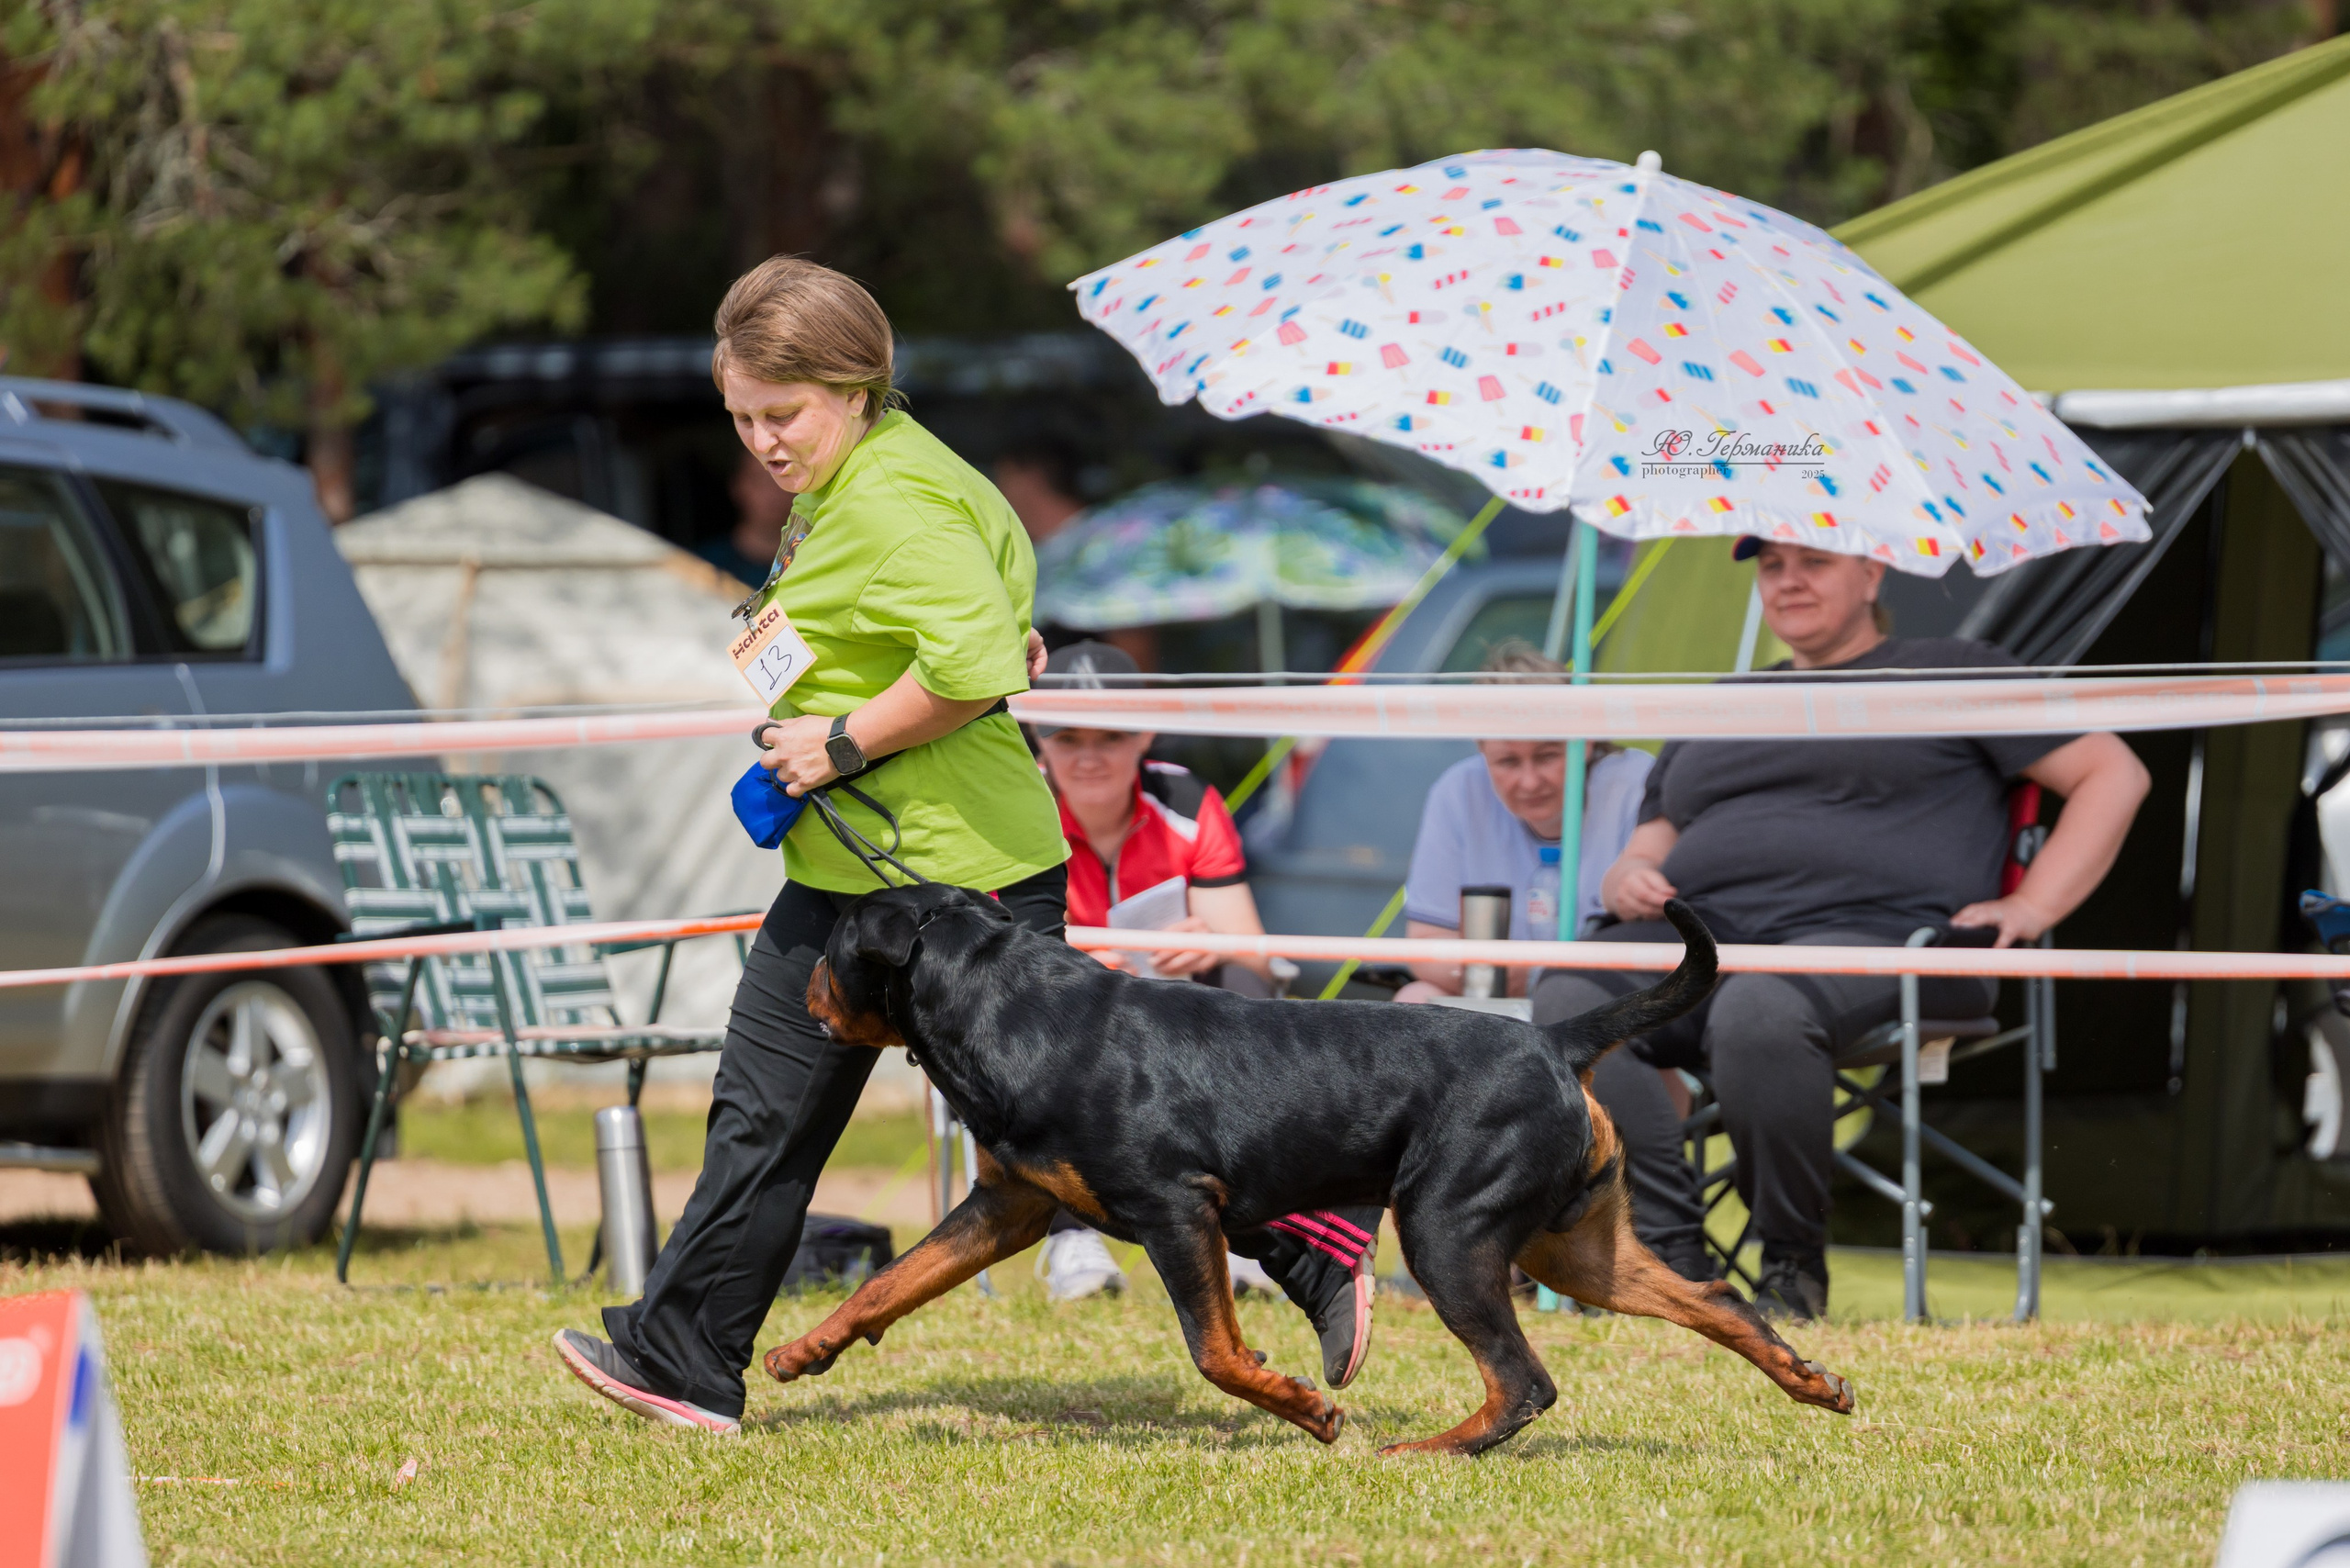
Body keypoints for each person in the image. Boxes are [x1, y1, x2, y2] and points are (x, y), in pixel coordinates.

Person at [553, 257, 1070, 1434]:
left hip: (954, 871)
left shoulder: (895, 493)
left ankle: (1300, 1236)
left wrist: (837, 741)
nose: (761, 442)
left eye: (781, 415)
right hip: (852, 873)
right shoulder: (869, 477)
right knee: (763, 1110)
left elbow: (982, 663)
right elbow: (1001, 624)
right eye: (741, 418)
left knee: (1068, 1132)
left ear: (854, 385)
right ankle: (680, 1357)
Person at [1531, 539, 2149, 1319]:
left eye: (1812, 562)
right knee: (1570, 999)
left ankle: (1792, 1267)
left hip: (1875, 938)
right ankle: (1667, 1255)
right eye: (1770, 567)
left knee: (1761, 1012)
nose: (1788, 581)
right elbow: (1658, 831)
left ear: (1873, 573)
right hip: (1704, 930)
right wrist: (1628, 871)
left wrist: (2031, 909)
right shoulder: (1723, 699)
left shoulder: (1952, 671)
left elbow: (2114, 774)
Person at [1028, 640, 1381, 1391]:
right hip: (1066, 1028)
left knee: (1249, 1003)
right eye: (1068, 735)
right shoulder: (1015, 806)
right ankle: (1071, 1233)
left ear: (1144, 737)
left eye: (1111, 735)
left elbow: (1255, 958)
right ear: (1039, 739)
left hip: (1170, 1026)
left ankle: (1265, 1231)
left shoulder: (1188, 802)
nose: (1089, 755)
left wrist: (1209, 941)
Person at [1393, 641, 1654, 1002]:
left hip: (1605, 998)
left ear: (1588, 739)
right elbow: (1426, 941)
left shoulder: (1634, 785)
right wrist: (1490, 970)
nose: (1530, 782)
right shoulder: (1458, 792)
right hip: (1500, 998)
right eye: (1508, 762)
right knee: (1415, 999)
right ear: (1481, 750)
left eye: (1547, 755)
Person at [693, 445, 799, 588]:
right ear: (737, 486)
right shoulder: (705, 565)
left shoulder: (816, 560)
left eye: (782, 479)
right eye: (759, 481)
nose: (771, 492)